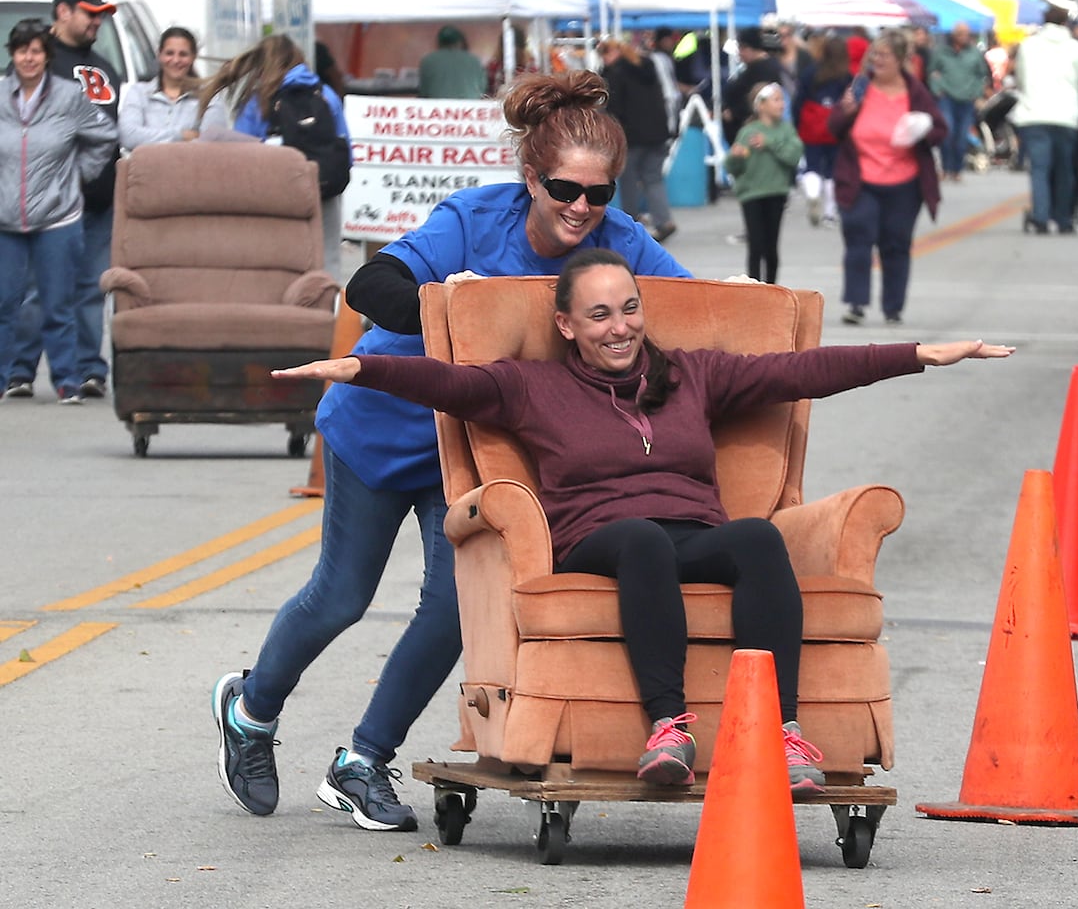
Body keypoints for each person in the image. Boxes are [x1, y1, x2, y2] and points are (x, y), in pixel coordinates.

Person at [270, 247, 1015, 795]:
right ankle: (669, 727)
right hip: (602, 540)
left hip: (689, 532)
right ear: (566, 325)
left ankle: (781, 734)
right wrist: (362, 368)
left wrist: (918, 354)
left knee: (755, 538)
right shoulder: (532, 387)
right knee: (641, 540)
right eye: (599, 314)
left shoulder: (693, 374)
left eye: (628, 308)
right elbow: (447, 382)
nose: (619, 326)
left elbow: (801, 371)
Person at [211, 71, 691, 833]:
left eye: (598, 195)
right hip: (379, 426)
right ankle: (251, 709)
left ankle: (363, 761)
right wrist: (447, 302)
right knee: (342, 596)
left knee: (452, 608)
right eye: (565, 188)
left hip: (467, 452)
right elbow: (370, 285)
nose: (580, 208)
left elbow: (696, 308)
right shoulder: (472, 219)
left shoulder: (618, 242)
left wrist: (741, 299)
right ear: (530, 177)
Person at [4, 0, 122, 402]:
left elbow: (108, 134)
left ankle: (90, 369)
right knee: (36, 290)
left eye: (102, 14)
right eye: (91, 13)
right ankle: (20, 370)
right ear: (63, 12)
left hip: (99, 202)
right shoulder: (36, 64)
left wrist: (92, 175)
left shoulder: (105, 67)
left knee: (91, 288)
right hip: (45, 205)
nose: (98, 22)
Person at [197, 35, 353, 279]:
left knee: (280, 259)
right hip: (325, 188)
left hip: (278, 190)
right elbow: (346, 149)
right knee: (327, 258)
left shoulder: (259, 101)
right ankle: (326, 311)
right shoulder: (326, 95)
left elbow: (242, 155)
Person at [829, 28, 947, 327]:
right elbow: (834, 125)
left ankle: (893, 307)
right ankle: (856, 304)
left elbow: (939, 130)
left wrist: (921, 129)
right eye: (874, 54)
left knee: (895, 244)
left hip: (904, 183)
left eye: (884, 55)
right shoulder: (860, 86)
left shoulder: (915, 92)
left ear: (900, 60)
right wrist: (846, 111)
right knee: (858, 240)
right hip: (860, 180)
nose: (876, 60)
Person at [1011, 6, 1078, 234]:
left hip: (1034, 114)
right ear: (1066, 22)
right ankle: (1063, 218)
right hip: (1066, 116)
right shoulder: (1074, 48)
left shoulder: (1029, 46)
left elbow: (1021, 78)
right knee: (1065, 169)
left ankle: (1041, 216)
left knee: (1039, 168)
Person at [601, 37, 677, 243]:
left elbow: (614, 108)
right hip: (657, 133)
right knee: (653, 178)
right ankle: (664, 221)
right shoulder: (648, 67)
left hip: (631, 135)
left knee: (628, 180)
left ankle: (630, 222)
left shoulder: (615, 73)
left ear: (614, 53)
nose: (603, 59)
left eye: (605, 53)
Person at [725, 82, 802, 283]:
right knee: (755, 244)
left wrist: (769, 143)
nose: (782, 104)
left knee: (771, 246)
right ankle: (754, 287)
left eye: (782, 99)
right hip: (751, 194)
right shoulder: (748, 132)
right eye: (776, 100)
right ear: (761, 105)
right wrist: (736, 157)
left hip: (776, 192)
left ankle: (772, 288)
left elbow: (793, 156)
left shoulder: (786, 130)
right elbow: (732, 167)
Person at [118, 27, 228, 150]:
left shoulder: (209, 96)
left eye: (183, 54)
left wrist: (148, 138)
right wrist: (181, 135)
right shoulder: (138, 93)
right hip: (145, 169)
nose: (176, 60)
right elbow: (128, 136)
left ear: (193, 57)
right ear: (159, 55)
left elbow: (212, 143)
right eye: (169, 53)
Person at [792, 35, 850, 227]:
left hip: (812, 125)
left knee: (812, 165)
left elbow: (799, 100)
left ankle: (812, 193)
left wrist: (796, 122)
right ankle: (829, 213)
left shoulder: (810, 72)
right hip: (836, 127)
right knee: (833, 170)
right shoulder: (846, 76)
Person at [928, 22, 991, 184]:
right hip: (946, 97)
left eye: (966, 33)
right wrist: (938, 89)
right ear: (953, 35)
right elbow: (931, 72)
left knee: (962, 136)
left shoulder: (974, 53)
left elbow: (982, 75)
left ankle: (957, 169)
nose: (964, 37)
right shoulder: (941, 52)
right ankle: (946, 167)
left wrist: (976, 93)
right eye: (960, 33)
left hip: (966, 98)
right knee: (947, 132)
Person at [723, 27, 784, 148]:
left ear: (751, 48)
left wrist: (734, 112)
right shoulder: (751, 68)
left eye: (742, 48)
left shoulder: (765, 70)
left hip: (753, 134)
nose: (740, 53)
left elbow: (760, 98)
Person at [417, 25, 487, 100]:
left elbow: (423, 93)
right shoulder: (474, 60)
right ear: (460, 42)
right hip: (469, 109)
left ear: (439, 42)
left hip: (438, 109)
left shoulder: (428, 61)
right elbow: (482, 89)